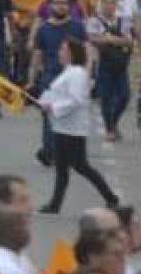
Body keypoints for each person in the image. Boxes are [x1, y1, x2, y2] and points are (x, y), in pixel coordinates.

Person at [41, 37, 122, 212]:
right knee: (62, 168)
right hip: (62, 126)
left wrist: (53, 107)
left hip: (73, 129)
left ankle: (111, 197)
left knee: (81, 166)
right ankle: (55, 204)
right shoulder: (68, 71)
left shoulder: (77, 73)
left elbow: (77, 100)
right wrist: (44, 102)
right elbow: (59, 94)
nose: (59, 53)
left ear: (71, 53)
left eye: (63, 49)